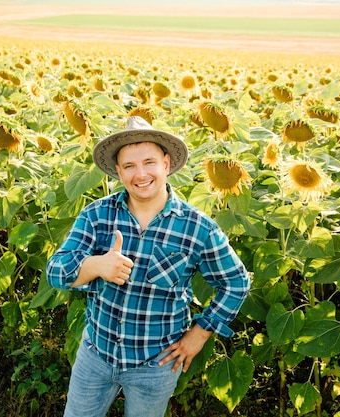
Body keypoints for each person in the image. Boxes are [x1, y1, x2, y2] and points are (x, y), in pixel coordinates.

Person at [46, 116, 251, 417]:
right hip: (96, 355)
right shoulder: (97, 215)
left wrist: (200, 333)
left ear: (166, 164)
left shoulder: (197, 228)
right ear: (118, 171)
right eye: (129, 166)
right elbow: (55, 271)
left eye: (149, 162)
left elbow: (236, 282)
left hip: (155, 364)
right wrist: (96, 265)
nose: (140, 174)